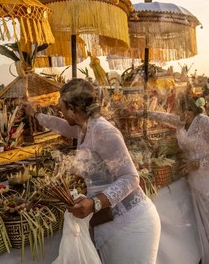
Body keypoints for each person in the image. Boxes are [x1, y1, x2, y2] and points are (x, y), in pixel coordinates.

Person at [24, 78, 161, 263]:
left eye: (62, 107)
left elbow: (131, 177)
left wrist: (94, 203)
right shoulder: (84, 127)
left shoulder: (103, 131)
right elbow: (62, 126)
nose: (60, 111)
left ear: (73, 109)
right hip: (109, 222)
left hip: (131, 224)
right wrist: (37, 115)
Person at [137, 95, 209, 264]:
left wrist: (197, 163)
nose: (175, 114)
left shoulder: (204, 121)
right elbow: (162, 116)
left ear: (189, 111)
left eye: (178, 110)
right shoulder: (180, 122)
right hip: (198, 184)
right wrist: (140, 112)